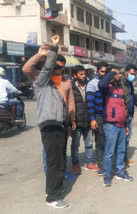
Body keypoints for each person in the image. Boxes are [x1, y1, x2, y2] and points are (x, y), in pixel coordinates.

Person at [22, 45, 76, 181]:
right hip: (48, 120)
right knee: (49, 152)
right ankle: (50, 176)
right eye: (58, 66)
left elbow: (70, 102)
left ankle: (62, 172)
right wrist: (39, 55)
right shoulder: (41, 77)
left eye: (63, 67)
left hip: (63, 120)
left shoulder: (66, 81)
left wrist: (72, 121)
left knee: (62, 149)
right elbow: (26, 68)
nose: (61, 70)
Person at [33, 35, 71, 208]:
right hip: (49, 126)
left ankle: (57, 189)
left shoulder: (57, 87)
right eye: (54, 68)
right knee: (54, 162)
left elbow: (64, 108)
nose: (57, 71)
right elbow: (48, 66)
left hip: (60, 126)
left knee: (60, 160)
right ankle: (52, 197)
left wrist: (68, 124)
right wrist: (54, 48)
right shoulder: (41, 82)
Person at [98, 68, 133, 187]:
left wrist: (126, 125)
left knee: (121, 151)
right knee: (109, 153)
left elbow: (124, 107)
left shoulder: (120, 89)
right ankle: (107, 176)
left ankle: (120, 172)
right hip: (111, 125)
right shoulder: (106, 87)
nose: (119, 75)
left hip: (122, 125)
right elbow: (101, 83)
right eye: (117, 74)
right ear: (111, 75)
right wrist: (112, 72)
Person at [71, 65, 99, 175]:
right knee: (75, 145)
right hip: (76, 121)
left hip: (88, 120)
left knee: (89, 144)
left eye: (84, 74)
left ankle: (89, 162)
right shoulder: (71, 87)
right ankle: (75, 164)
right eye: (80, 74)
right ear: (75, 75)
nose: (83, 76)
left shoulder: (90, 86)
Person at [86, 62, 108, 175]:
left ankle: (105, 162)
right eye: (102, 71)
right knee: (100, 141)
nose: (104, 74)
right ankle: (101, 165)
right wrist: (92, 119)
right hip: (98, 116)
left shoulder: (106, 83)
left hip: (106, 116)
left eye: (105, 72)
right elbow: (90, 102)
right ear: (97, 71)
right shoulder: (93, 84)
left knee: (105, 140)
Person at [121, 64, 137, 166]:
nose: (133, 76)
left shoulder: (130, 83)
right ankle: (120, 160)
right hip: (123, 114)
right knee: (123, 138)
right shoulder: (121, 82)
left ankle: (124, 158)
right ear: (126, 72)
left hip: (130, 114)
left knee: (127, 137)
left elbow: (132, 96)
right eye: (131, 74)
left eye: (134, 74)